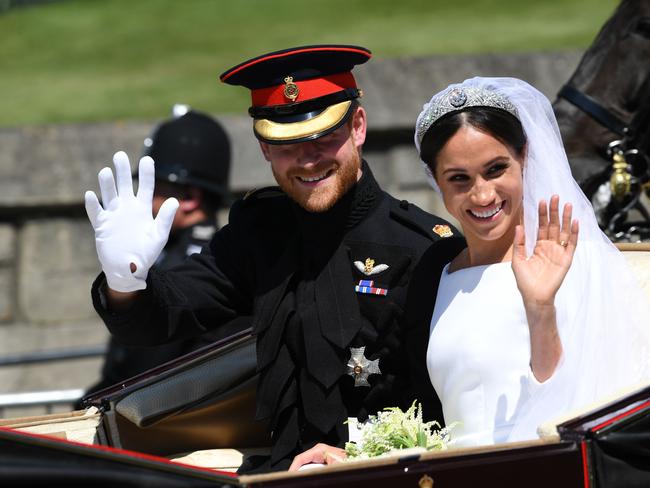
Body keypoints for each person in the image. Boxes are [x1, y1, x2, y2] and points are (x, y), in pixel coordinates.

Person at [83, 45, 466, 472]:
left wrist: (358, 458)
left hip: (389, 474)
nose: (308, 159)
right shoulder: (258, 233)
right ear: (264, 148)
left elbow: (448, 407)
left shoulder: (423, 246)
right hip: (278, 475)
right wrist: (126, 280)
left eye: (324, 137)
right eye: (286, 144)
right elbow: (164, 316)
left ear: (358, 126)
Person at [410, 76, 650, 446]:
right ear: (435, 181)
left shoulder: (572, 261)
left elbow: (590, 403)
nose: (483, 194)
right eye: (459, 178)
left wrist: (540, 308)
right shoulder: (439, 273)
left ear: (523, 157)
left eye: (496, 169)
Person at [80, 109, 250, 398]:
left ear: (189, 199)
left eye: (154, 188)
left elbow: (147, 365)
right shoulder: (170, 252)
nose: (144, 200)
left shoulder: (199, 262)